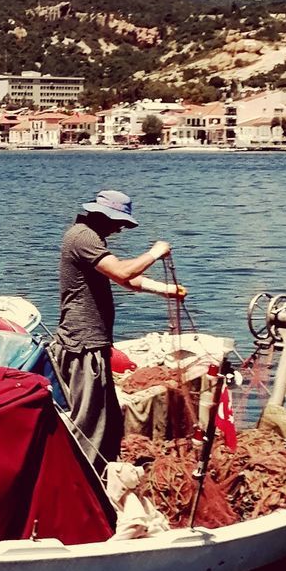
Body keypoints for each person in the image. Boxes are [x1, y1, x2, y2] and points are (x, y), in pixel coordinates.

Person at [49, 188, 186, 474]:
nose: (120, 229)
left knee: (110, 423)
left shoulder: (90, 237)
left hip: (93, 344)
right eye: (119, 223)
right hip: (82, 345)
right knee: (89, 425)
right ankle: (82, 483)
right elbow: (123, 272)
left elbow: (126, 279)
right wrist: (155, 252)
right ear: (103, 216)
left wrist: (165, 290)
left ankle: (104, 475)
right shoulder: (83, 236)